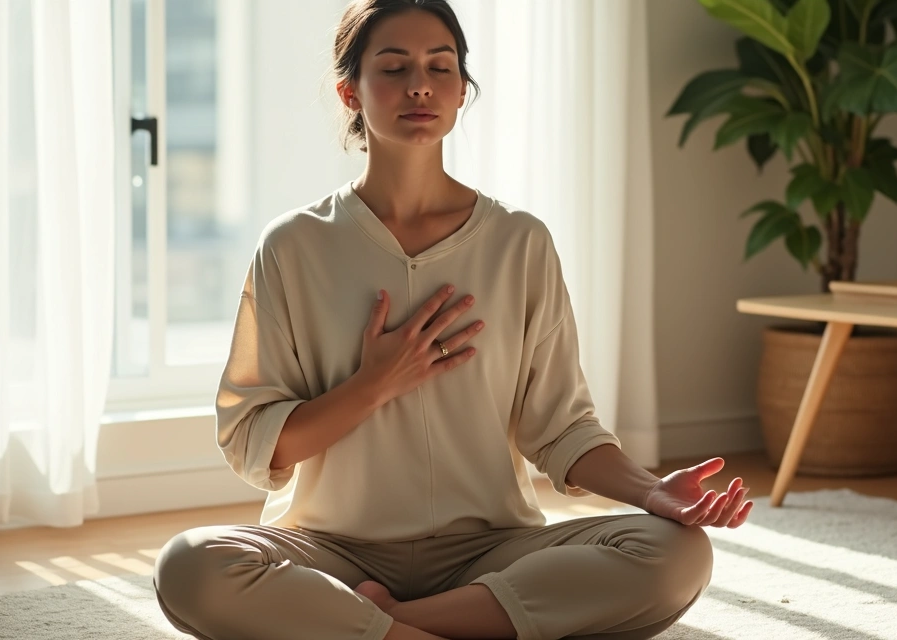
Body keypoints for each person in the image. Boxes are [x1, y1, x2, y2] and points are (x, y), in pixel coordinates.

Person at [153, 1, 753, 639]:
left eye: (440, 67)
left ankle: (385, 625)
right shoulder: (293, 246)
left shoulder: (520, 242)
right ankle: (461, 627)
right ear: (350, 91)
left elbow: (561, 430)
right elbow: (253, 439)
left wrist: (651, 492)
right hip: (332, 550)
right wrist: (372, 385)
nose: (420, 86)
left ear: (462, 89)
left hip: (489, 551)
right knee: (189, 565)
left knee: (679, 553)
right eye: (394, 68)